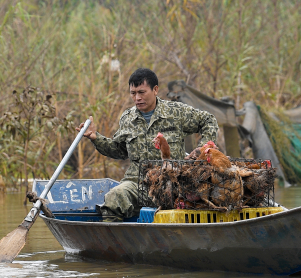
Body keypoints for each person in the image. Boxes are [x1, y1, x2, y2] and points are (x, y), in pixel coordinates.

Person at [79, 68, 219, 222]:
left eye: (142, 92)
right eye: (133, 93)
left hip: (172, 183)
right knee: (114, 197)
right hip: (137, 184)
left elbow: (209, 120)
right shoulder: (127, 118)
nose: (137, 98)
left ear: (155, 90)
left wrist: (203, 148)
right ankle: (115, 242)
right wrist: (95, 137)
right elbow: (118, 151)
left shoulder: (176, 112)